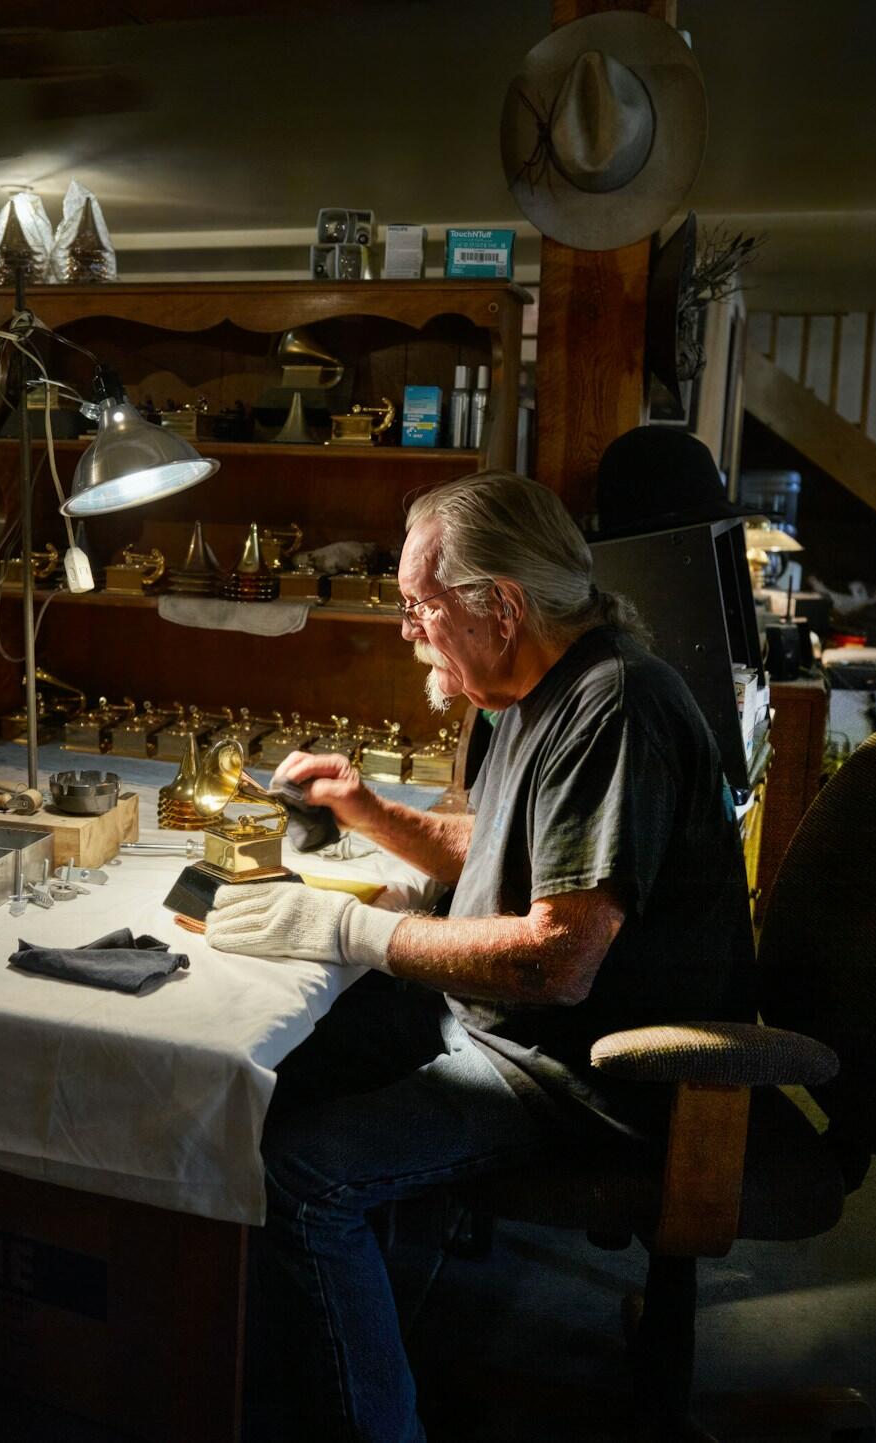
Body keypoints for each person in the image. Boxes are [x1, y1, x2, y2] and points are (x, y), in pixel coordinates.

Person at [207, 451, 757, 1442]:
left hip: (580, 1072)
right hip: (509, 1030)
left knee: (300, 1178)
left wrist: (344, 927)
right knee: (259, 1066)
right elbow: (503, 849)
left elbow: (558, 958)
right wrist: (366, 809)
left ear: (500, 604)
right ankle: (265, 1345)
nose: (411, 632)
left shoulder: (618, 706)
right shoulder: (532, 690)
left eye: (422, 610)